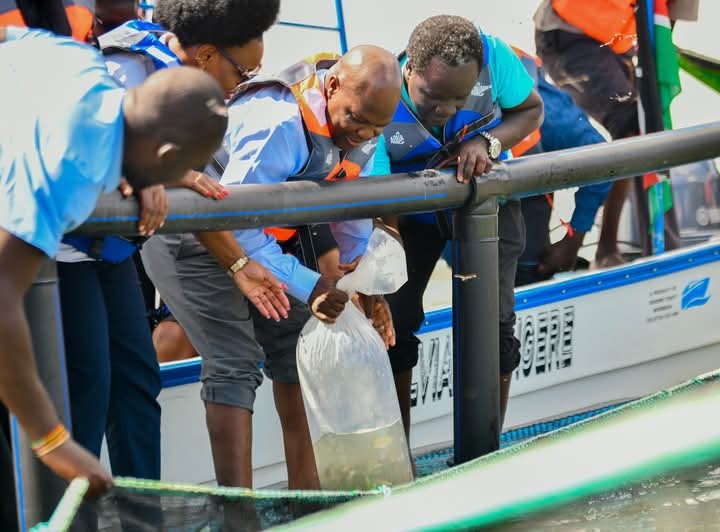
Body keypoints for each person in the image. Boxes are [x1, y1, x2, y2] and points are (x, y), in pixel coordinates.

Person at [142, 43, 402, 489]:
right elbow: (234, 224)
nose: (362, 135)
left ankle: (306, 496)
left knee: (296, 347)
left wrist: (360, 282)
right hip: (195, 231)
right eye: (355, 119)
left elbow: (350, 211)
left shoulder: (365, 126)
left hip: (263, 241)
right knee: (235, 361)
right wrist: (310, 284)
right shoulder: (278, 124)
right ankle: (239, 511)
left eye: (375, 129)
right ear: (332, 86)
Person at [0, 24, 227, 507]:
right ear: (165, 155)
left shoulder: (83, 63)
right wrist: (52, 441)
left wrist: (140, 170)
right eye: (181, 172)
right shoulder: (70, 170)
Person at [373, 15, 544, 450]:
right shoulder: (379, 90)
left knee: (495, 321)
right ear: (409, 71)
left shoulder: (495, 56)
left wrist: (488, 142)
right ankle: (400, 456)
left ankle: (486, 450)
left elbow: (531, 110)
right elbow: (379, 196)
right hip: (408, 214)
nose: (446, 110)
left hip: (486, 202)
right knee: (394, 321)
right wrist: (389, 253)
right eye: (433, 97)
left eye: (459, 98)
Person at [533, 0, 699, 266]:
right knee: (632, 127)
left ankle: (654, 242)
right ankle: (599, 249)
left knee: (646, 125)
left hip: (617, 45)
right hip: (568, 32)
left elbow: (664, 21)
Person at [510, 47, 611, 285]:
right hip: (454, 225)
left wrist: (573, 240)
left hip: (525, 229)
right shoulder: (432, 103)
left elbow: (603, 160)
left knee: (525, 277)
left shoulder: (548, 116)